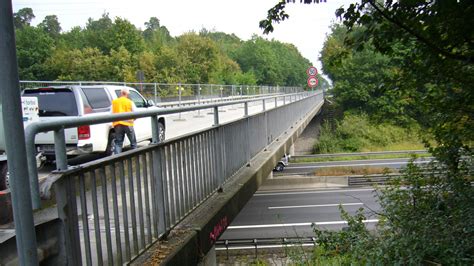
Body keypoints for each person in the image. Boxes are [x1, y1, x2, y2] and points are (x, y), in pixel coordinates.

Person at [111, 87, 137, 154]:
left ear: (121, 93)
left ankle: (117, 159)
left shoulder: (114, 102)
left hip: (117, 124)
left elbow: (110, 114)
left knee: (118, 143)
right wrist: (133, 119)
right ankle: (135, 156)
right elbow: (136, 113)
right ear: (127, 94)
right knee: (133, 143)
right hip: (128, 124)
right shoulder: (129, 102)